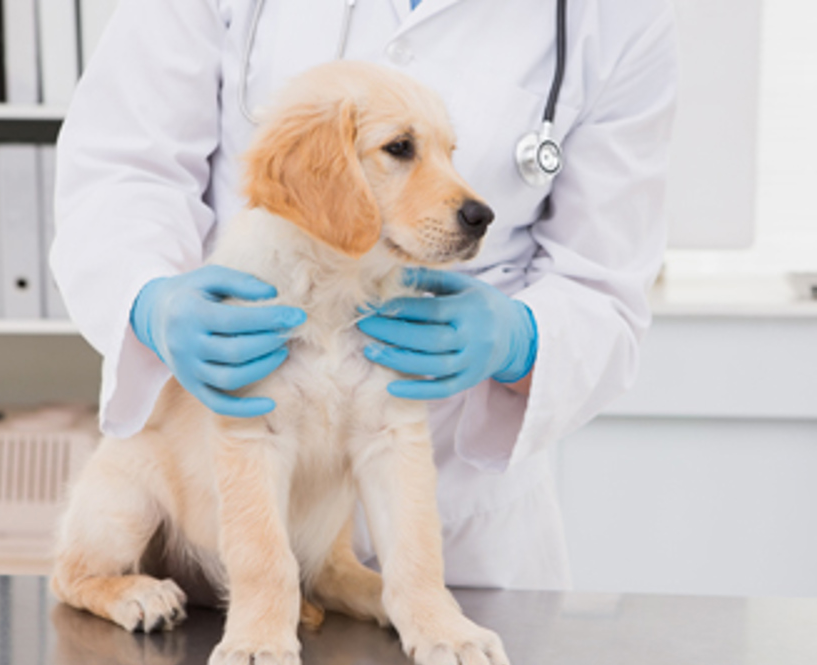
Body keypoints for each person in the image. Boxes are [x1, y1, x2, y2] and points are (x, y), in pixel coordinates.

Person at [50, 0, 678, 591]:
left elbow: (604, 281)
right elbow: (124, 167)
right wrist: (149, 302)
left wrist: (522, 341)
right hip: (227, 481)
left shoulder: (615, 17)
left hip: (461, 517)